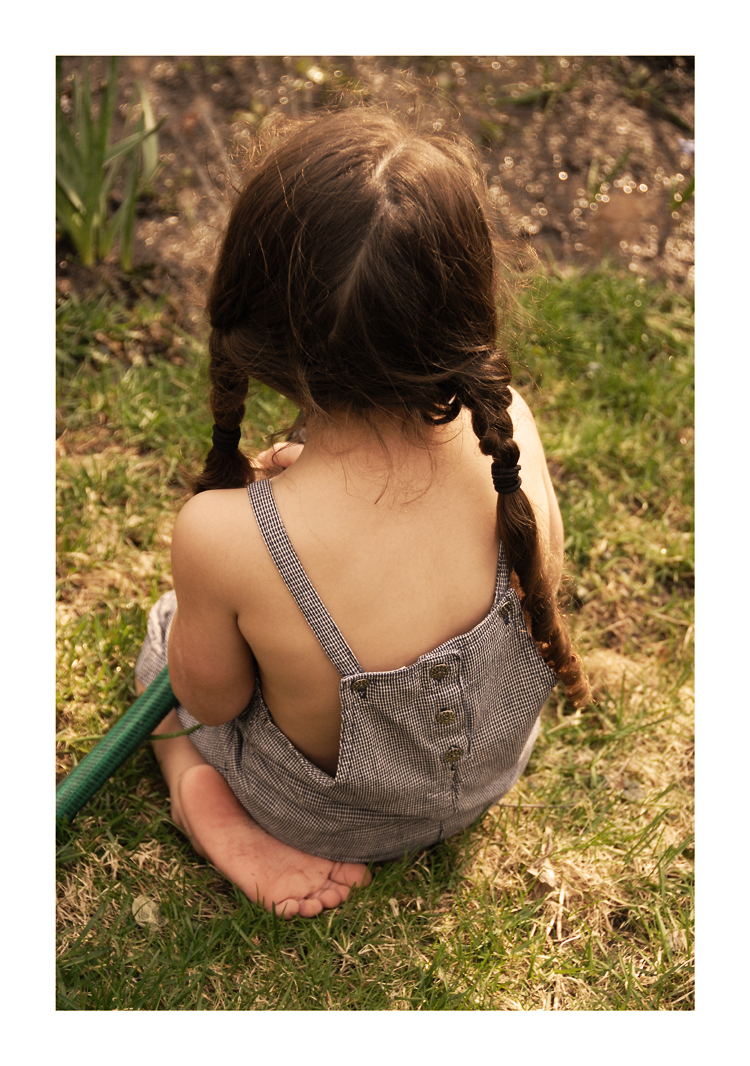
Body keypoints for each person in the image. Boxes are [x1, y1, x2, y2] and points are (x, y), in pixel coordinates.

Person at [135, 108, 590, 919]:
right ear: (464, 306)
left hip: (313, 813)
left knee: (166, 636)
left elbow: (212, 703)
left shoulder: (225, 536)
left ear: (261, 328)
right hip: (487, 774)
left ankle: (197, 794)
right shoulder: (506, 430)